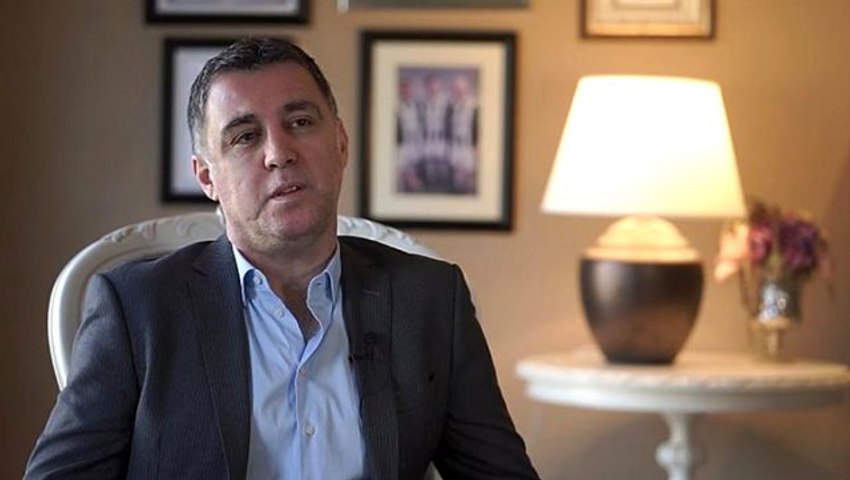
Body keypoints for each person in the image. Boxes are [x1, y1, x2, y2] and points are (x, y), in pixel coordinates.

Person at [25, 37, 539, 480]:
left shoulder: (429, 298)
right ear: (207, 177)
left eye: (300, 121)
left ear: (340, 144)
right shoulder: (137, 308)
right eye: (245, 136)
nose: (279, 152)